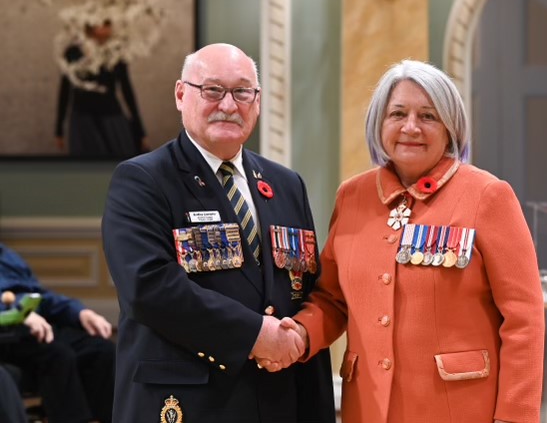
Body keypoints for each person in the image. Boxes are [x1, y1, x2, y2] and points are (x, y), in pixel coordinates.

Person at [283, 60, 545, 423]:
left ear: (450, 128)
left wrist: (516, 417)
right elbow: (332, 299)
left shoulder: (488, 196)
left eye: (428, 116)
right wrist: (298, 335)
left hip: (461, 410)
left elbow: (524, 319)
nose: (411, 127)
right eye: (398, 114)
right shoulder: (353, 196)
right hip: (369, 409)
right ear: (380, 123)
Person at [101, 43, 336, 422]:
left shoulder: (285, 183)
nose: (228, 104)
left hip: (279, 397)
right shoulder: (144, 179)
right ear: (181, 94)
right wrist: (255, 334)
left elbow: (306, 287)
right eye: (212, 90)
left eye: (242, 92)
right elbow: (148, 288)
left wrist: (301, 337)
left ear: (256, 102)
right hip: (189, 401)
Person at [0, 243, 115, 423]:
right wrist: (19, 311)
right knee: (57, 354)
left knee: (101, 350)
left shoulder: (7, 256)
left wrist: (79, 312)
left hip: (37, 325)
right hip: (8, 332)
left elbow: (41, 297)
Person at [54, 20, 148, 158]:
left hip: (111, 117)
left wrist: (141, 132)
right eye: (101, 24)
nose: (105, 29)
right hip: (83, 120)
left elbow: (127, 90)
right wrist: (59, 130)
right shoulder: (73, 53)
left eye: (108, 24)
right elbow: (65, 90)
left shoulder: (116, 53)